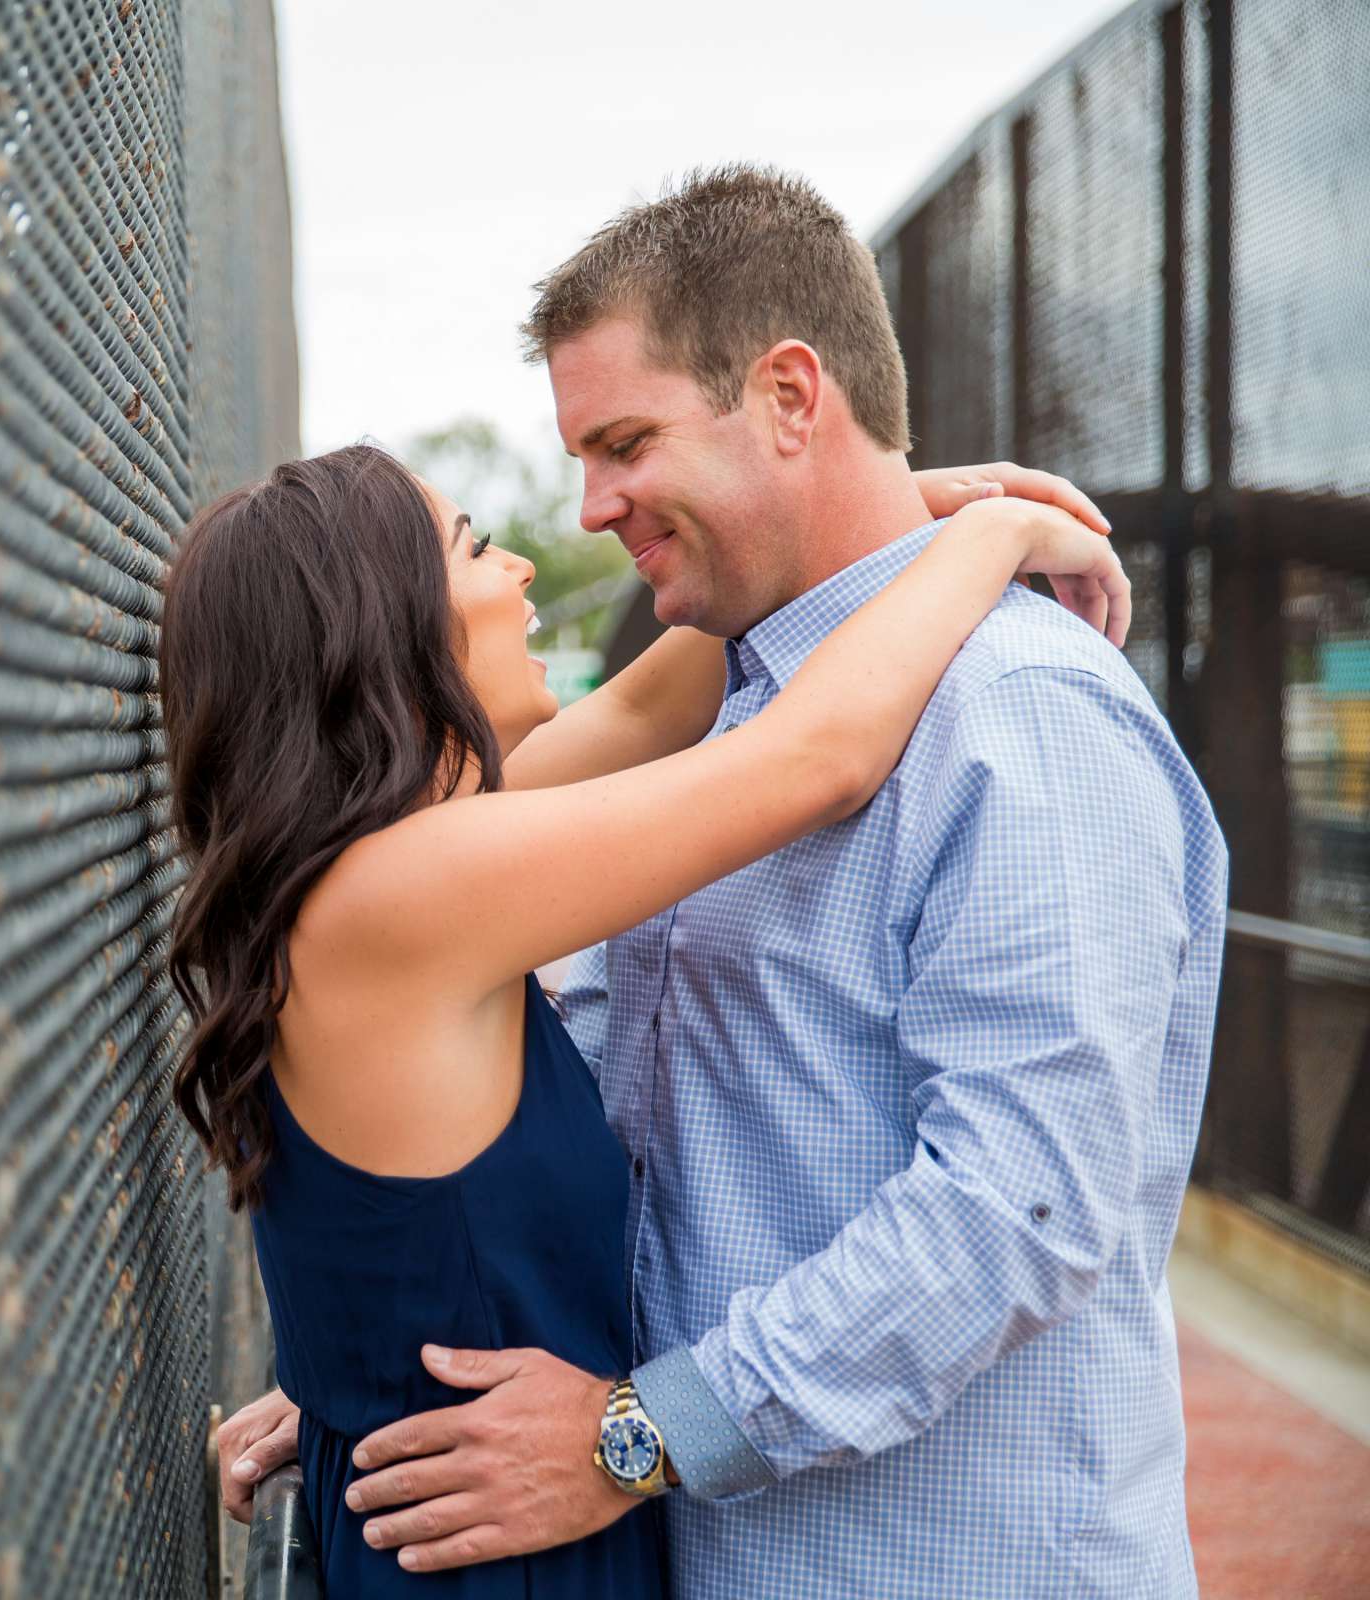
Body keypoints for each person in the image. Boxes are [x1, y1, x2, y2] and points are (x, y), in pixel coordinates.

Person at [213, 167, 1227, 1598]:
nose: (583, 511)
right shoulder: (730, 736)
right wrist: (381, 1362)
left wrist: (630, 1436)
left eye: (623, 442)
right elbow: (661, 1133)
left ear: (793, 398)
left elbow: (1021, 1207)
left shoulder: (1017, 716)